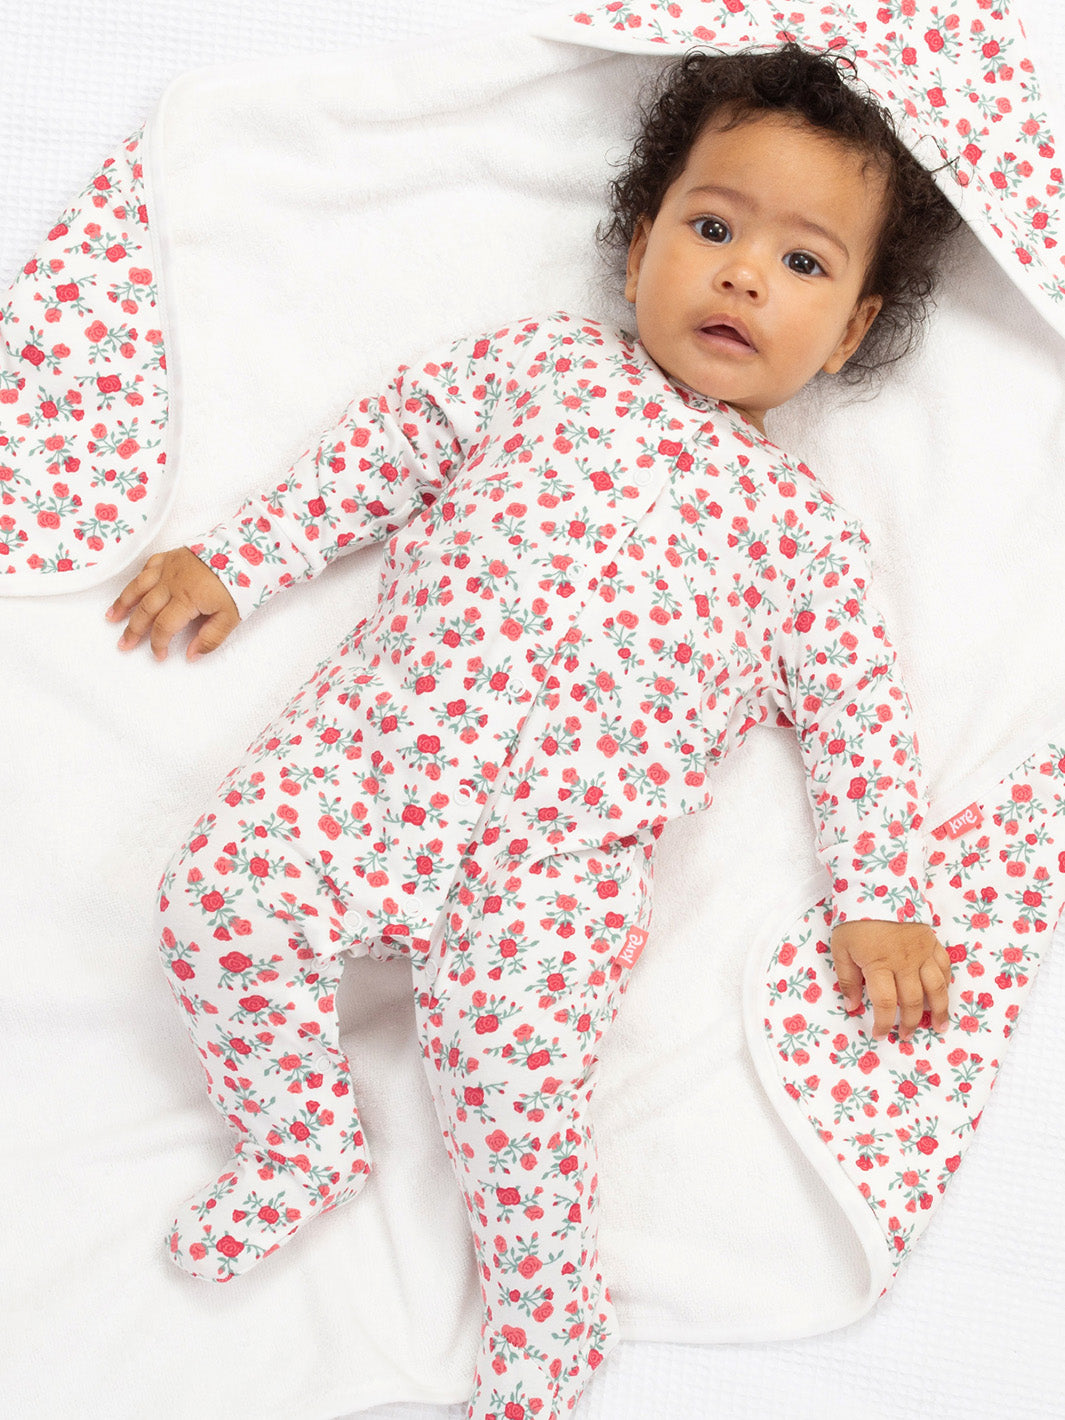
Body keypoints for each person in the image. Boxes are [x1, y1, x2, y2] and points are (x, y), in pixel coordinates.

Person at [106, 43, 960, 1420]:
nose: (744, 274)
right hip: (369, 767)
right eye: (711, 226)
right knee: (217, 901)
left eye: (804, 265)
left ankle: (548, 1331)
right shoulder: (538, 373)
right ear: (636, 250)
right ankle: (299, 1140)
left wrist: (874, 897)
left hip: (556, 871)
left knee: (515, 1087)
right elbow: (372, 455)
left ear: (850, 333)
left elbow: (859, 722)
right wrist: (237, 558)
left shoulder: (805, 540)